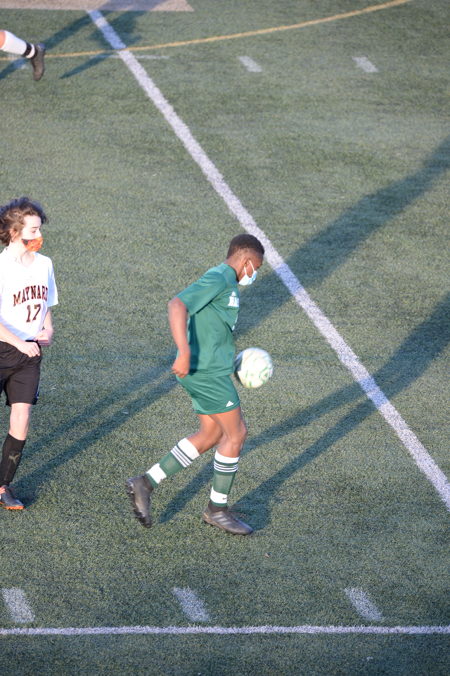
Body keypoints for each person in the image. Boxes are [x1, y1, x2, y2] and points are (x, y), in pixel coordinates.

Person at [126, 234, 264, 535]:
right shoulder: (219, 277)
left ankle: (145, 483)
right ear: (245, 260)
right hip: (205, 372)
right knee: (237, 433)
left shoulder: (227, 283)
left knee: (211, 433)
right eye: (256, 267)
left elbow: (211, 326)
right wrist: (184, 351)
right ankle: (217, 510)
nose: (254, 273)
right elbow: (177, 304)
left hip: (210, 370)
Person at [0, 197, 58, 510]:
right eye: (32, 230)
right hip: (4, 348)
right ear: (13, 233)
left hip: (29, 355)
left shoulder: (44, 264)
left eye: (39, 229)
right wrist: (18, 342)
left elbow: (45, 305)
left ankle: (3, 486)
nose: (38, 236)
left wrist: (48, 330)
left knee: (21, 420)